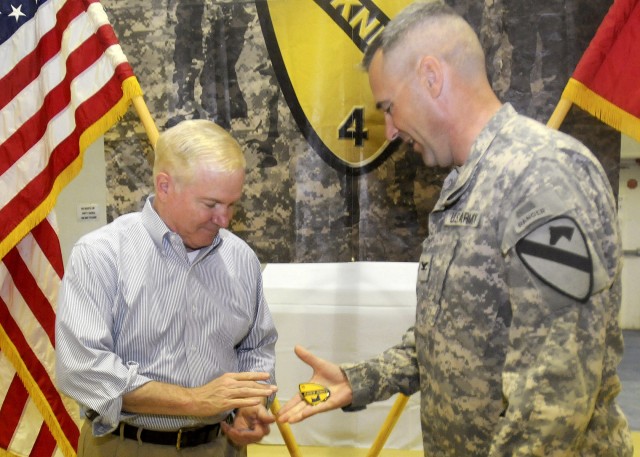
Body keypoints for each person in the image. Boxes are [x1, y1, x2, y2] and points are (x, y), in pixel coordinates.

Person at [277, 2, 634, 456]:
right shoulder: (467, 185)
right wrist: (357, 381)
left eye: (389, 107)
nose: (388, 130)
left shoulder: (541, 176)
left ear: (431, 76)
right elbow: (454, 337)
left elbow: (554, 399)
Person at [55, 119, 278, 456]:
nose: (225, 219)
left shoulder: (240, 258)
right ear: (164, 186)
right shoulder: (101, 255)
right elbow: (83, 369)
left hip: (220, 446)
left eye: (232, 204)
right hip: (129, 446)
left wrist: (251, 402)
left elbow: (255, 348)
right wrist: (194, 401)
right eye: (211, 204)